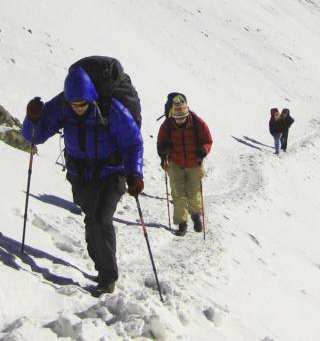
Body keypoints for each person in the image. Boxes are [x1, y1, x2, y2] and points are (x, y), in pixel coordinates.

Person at [22, 65, 144, 297]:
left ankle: (108, 276)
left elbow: (132, 143)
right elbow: (33, 136)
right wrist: (33, 118)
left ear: (91, 98)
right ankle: (101, 266)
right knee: (92, 221)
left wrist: (135, 174)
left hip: (111, 173)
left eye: (82, 104)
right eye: (74, 104)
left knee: (100, 219)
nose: (77, 109)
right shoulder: (62, 105)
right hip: (80, 176)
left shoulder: (111, 108)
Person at [156, 93, 212, 236]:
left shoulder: (198, 123)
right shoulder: (167, 125)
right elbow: (160, 142)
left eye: (182, 118)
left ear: (187, 113)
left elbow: (207, 141)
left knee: (193, 191)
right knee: (178, 193)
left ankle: (196, 216)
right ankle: (182, 224)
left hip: (194, 163)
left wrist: (203, 150)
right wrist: (163, 152)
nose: (180, 121)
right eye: (177, 118)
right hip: (175, 163)